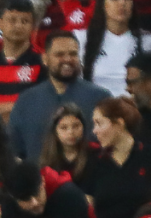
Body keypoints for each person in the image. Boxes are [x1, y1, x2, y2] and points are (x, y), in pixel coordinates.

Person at [9, 31, 112, 159]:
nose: (67, 59)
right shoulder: (27, 100)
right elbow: (14, 149)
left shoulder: (100, 98)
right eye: (59, 54)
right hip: (40, 176)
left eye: (73, 54)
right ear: (45, 59)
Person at [83, 97, 151, 218]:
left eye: (99, 123)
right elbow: (88, 209)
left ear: (119, 123)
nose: (94, 131)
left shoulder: (146, 157)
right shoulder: (94, 161)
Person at [77, 0, 151, 96]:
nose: (122, 3)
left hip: (135, 109)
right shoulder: (81, 38)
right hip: (95, 108)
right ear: (103, 4)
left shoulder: (147, 41)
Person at [39, 103, 96, 184]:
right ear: (55, 131)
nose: (71, 132)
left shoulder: (95, 154)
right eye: (64, 128)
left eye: (76, 126)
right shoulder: (48, 161)